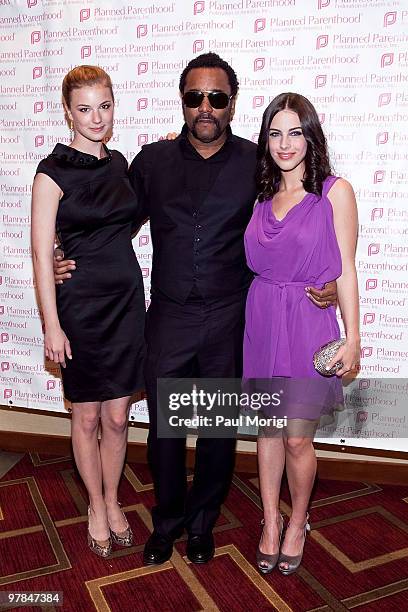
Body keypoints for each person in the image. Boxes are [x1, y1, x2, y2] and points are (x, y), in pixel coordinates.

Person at [54, 54, 338, 566]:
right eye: (194, 97)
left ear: (232, 103)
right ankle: (167, 522)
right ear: (182, 101)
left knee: (216, 430)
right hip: (167, 317)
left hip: (230, 318)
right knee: (165, 427)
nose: (205, 107)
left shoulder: (259, 164)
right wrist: (61, 255)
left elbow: (305, 218)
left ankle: (203, 523)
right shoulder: (151, 162)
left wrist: (330, 283)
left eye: (216, 98)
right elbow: (110, 220)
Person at [243, 93, 360, 575]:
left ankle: (298, 520)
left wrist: (353, 337)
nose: (284, 143)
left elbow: (347, 271)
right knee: (268, 431)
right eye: (275, 132)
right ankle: (270, 521)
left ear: (311, 136)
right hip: (264, 319)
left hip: (310, 325)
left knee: (296, 439)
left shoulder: (335, 192)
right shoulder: (260, 197)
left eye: (295, 132)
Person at [32, 65, 146, 558]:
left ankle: (115, 498)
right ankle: (96, 505)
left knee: (118, 418)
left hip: (125, 303)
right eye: (84, 109)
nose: (96, 117)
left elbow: (136, 213)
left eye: (104, 105)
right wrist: (51, 325)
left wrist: (168, 148)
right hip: (79, 308)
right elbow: (41, 254)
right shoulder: (51, 172)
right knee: (86, 416)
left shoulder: (121, 164)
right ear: (67, 112)